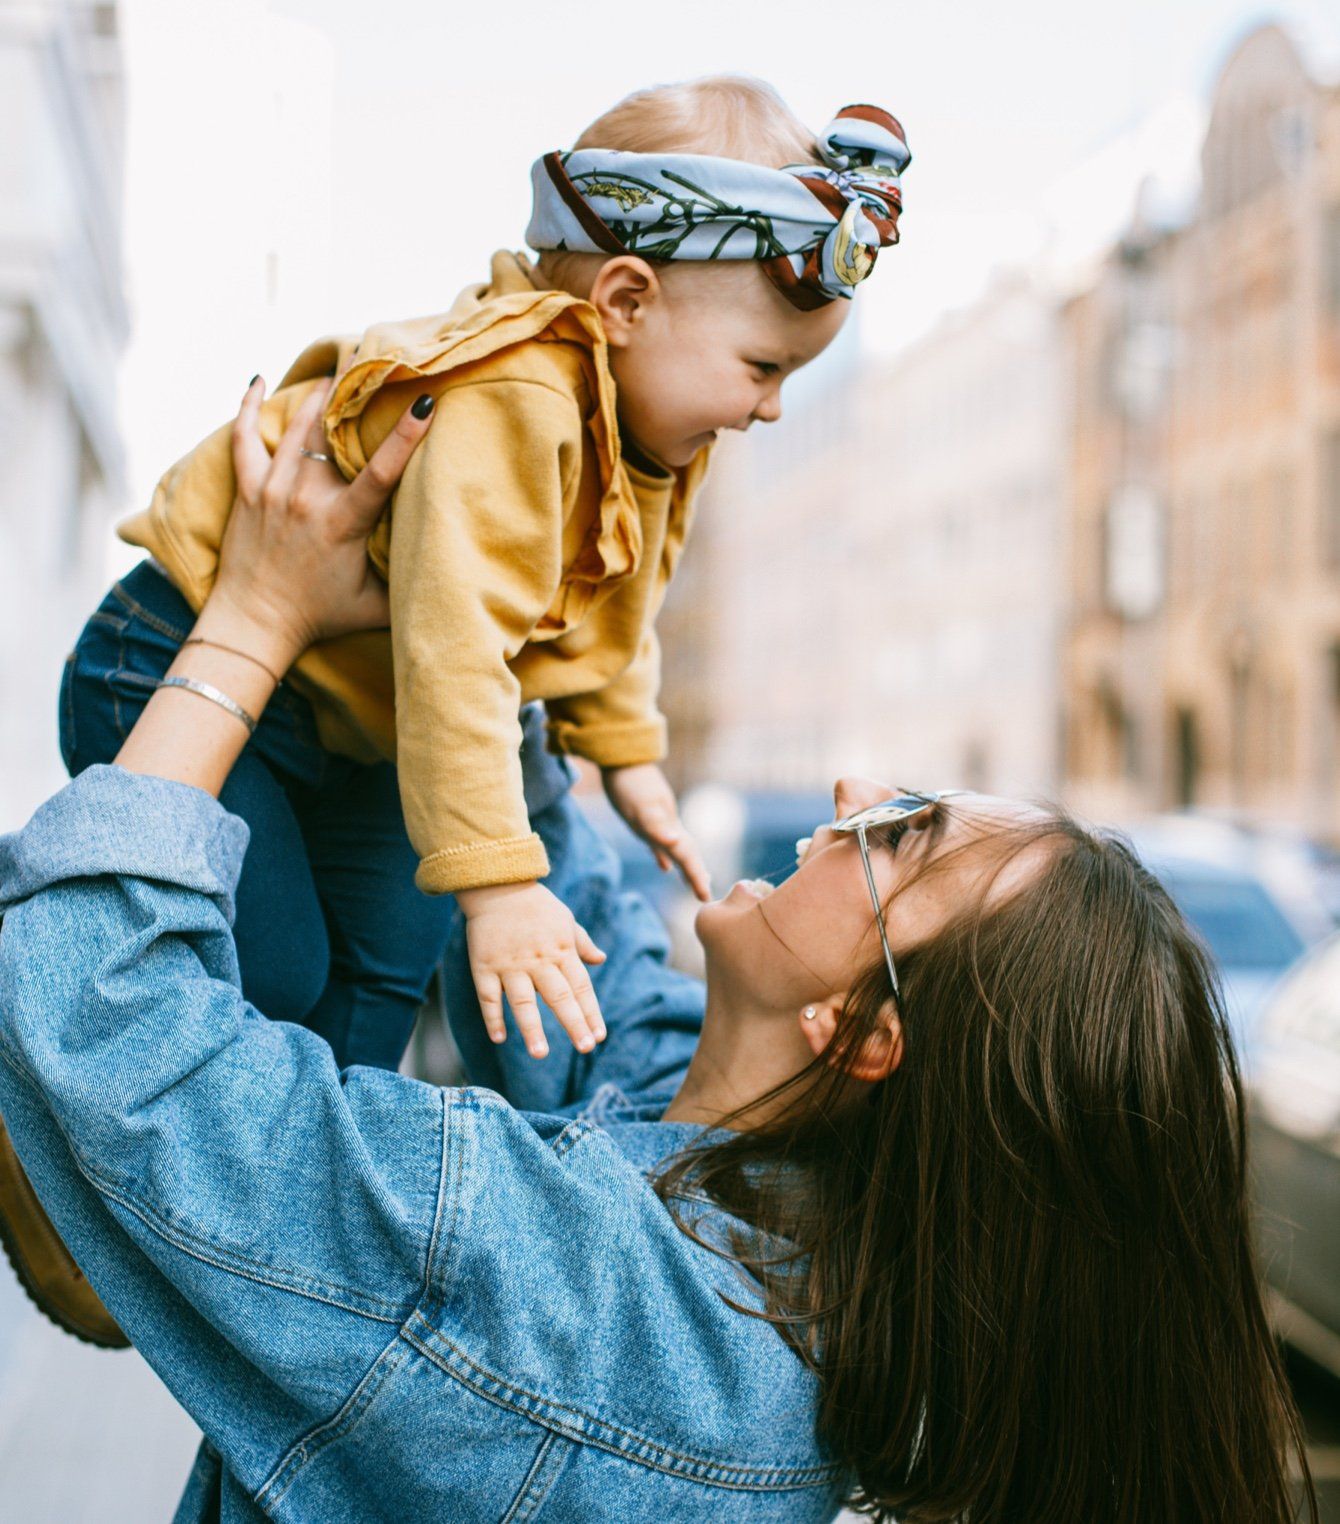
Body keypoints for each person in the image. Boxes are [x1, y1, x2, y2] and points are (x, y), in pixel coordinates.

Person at [0, 385, 1315, 1521]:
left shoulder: (579, 1295)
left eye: (903, 834)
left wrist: (255, 615)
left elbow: (106, 1014)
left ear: (861, 1033)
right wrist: (480, 590)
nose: (856, 785)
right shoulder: (769, 1197)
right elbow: (594, 965)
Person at [59, 76, 910, 1076]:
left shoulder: (645, 434)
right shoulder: (513, 399)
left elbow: (617, 599)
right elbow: (456, 653)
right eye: (763, 368)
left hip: (362, 727)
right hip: (175, 657)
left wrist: (626, 754)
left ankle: (303, 1187)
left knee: (384, 960)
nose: (768, 409)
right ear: (625, 301)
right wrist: (500, 886)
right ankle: (72, 1114)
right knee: (280, 968)